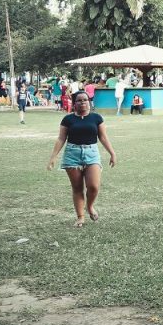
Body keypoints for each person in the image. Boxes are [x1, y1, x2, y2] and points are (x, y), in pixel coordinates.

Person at [47, 91, 117, 226]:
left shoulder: (96, 118)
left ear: (89, 101)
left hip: (92, 153)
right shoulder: (68, 119)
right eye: (79, 100)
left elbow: (103, 137)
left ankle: (89, 206)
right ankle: (80, 217)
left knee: (94, 186)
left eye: (85, 100)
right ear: (74, 103)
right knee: (77, 188)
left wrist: (112, 153)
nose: (83, 102)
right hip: (72, 154)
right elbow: (61, 138)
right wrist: (53, 157)